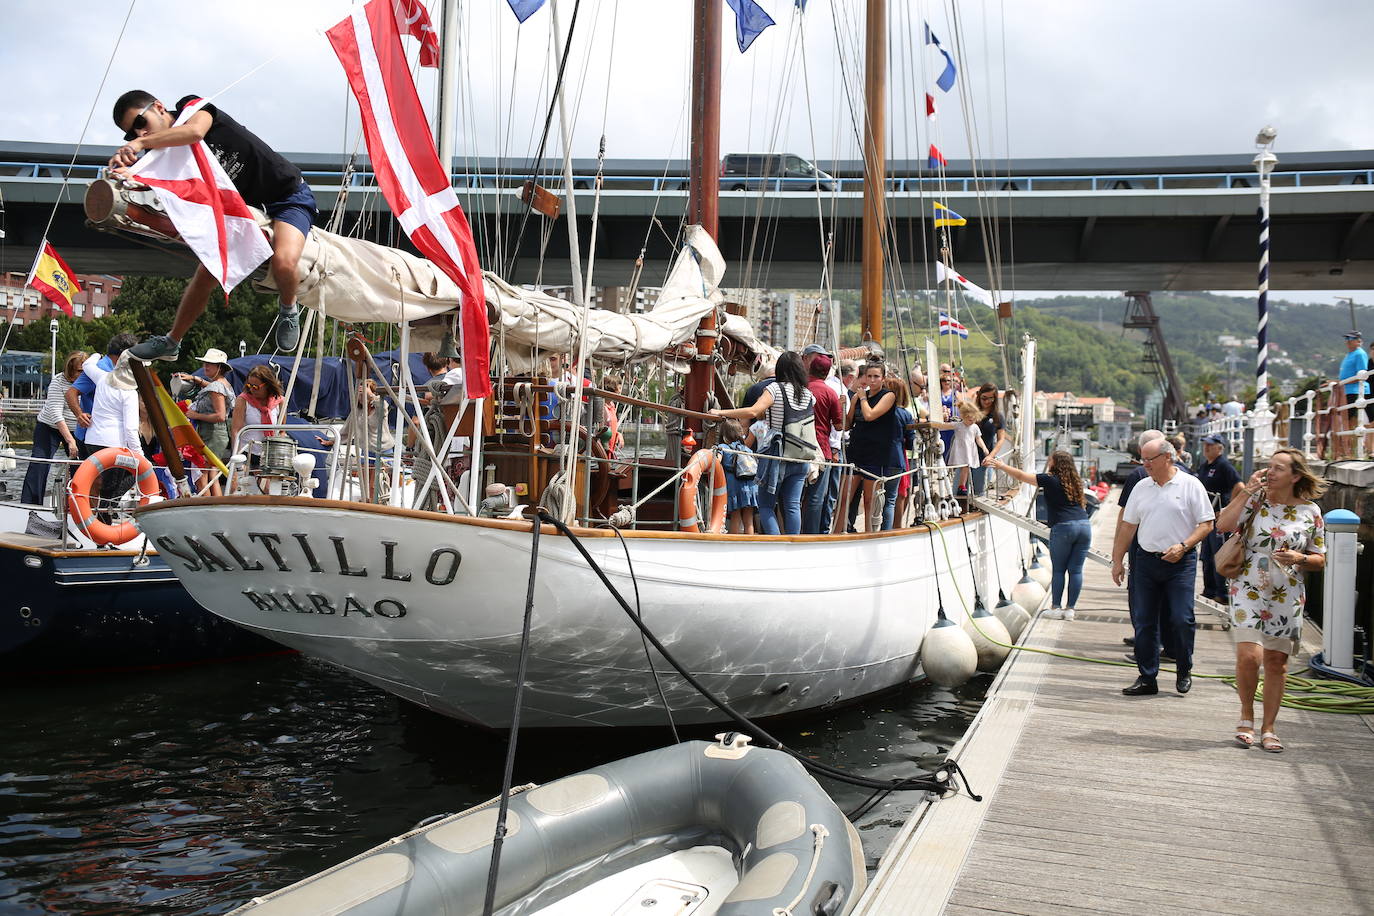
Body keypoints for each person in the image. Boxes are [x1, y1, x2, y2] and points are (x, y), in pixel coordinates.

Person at [109, 91, 318, 359]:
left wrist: (138, 145)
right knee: (205, 273)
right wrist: (128, 172)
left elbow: (195, 132)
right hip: (246, 211)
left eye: (141, 122)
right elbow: (158, 184)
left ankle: (288, 310)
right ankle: (173, 341)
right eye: (132, 133)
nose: (140, 133)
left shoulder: (192, 107)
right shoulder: (165, 156)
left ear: (159, 107)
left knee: (284, 262)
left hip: (287, 196)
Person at [1215, 448, 1327, 752]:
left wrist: (1299, 557)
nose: (1270, 472)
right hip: (1248, 585)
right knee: (1250, 656)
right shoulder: (1255, 499)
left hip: (1287, 592)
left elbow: (1320, 559)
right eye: (1268, 466)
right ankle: (1246, 717)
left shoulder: (1311, 512)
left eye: (1278, 468)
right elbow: (1222, 525)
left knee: (1277, 663)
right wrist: (1246, 492)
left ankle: (1269, 727)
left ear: (1295, 476)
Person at [1110, 438, 1215, 697]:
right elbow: (1127, 526)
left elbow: (1207, 524)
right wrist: (1117, 560)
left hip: (1181, 562)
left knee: (1181, 618)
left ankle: (1183, 669)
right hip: (1145, 561)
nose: (1144, 464)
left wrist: (1183, 545)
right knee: (1144, 622)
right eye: (1142, 459)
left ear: (1167, 457)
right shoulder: (1141, 487)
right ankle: (1147, 677)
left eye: (1149, 459)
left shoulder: (1191, 485)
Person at [710, 351, 814, 536]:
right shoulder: (808, 394)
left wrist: (720, 412)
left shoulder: (775, 389)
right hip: (801, 455)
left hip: (776, 455)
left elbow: (753, 412)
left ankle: (775, 545)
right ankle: (794, 545)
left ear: (781, 369)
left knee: (766, 504)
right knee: (792, 505)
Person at [987, 450, 1091, 620]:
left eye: (1050, 459)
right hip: (1084, 527)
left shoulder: (1049, 479)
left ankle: (1056, 608)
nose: (1049, 461)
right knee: (1076, 570)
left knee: (1059, 570)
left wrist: (1001, 465)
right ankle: (1070, 609)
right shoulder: (1075, 481)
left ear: (1055, 463)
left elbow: (1021, 476)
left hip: (1063, 527)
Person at [837, 362, 901, 532]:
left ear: (883, 379)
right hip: (856, 450)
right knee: (844, 497)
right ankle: (836, 531)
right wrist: (844, 406)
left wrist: (862, 398)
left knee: (869, 500)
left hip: (876, 453)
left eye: (876, 377)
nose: (872, 380)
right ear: (864, 377)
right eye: (869, 376)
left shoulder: (888, 396)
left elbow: (870, 415)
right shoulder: (857, 397)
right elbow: (847, 425)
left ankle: (869, 533)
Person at [21, 351, 86, 506]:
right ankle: (30, 505)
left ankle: (79, 506)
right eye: (76, 371)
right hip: (49, 426)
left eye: (81, 371)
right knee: (39, 462)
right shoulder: (57, 382)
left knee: (81, 468)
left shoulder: (91, 382)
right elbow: (56, 414)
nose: (78, 375)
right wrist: (70, 442)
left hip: (76, 429)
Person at [67, 333, 139, 458]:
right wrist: (79, 414)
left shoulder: (110, 370)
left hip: (98, 437)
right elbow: (71, 393)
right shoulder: (102, 368)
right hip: (90, 434)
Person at [1196, 434, 1244, 604]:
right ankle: (1209, 591)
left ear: (1220, 448)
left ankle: (1222, 593)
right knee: (1207, 555)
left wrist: (1228, 508)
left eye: (1210, 445)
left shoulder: (1224, 465)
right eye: (1205, 445)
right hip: (1206, 519)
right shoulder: (1204, 466)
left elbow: (1239, 486)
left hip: (1219, 520)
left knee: (1219, 555)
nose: (1206, 448)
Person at [801, 354, 843, 534]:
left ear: (809, 368)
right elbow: (840, 425)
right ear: (826, 373)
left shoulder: (800, 388)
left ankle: (791, 533)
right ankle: (811, 535)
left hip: (796, 447)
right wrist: (842, 406)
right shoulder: (830, 393)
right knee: (816, 498)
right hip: (822, 450)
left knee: (793, 497)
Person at [176, 348, 235, 465]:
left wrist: (195, 415)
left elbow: (220, 416)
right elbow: (215, 389)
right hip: (217, 434)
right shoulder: (224, 384)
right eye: (205, 363)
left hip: (211, 434)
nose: (205, 366)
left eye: (210, 364)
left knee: (203, 473)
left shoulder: (217, 386)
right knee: (211, 472)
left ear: (219, 367)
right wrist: (195, 379)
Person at [231, 365, 286, 463]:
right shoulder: (243, 400)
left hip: (270, 455)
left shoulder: (280, 401)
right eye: (249, 386)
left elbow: (282, 431)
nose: (252, 389)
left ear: (268, 385)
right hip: (247, 454)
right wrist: (237, 460)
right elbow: (236, 431)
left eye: (256, 387)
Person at [718, 418, 758, 534]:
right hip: (751, 486)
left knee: (735, 516)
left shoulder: (723, 447)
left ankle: (733, 545)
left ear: (724, 434)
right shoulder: (747, 449)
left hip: (734, 486)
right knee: (748, 519)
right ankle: (749, 545)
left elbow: (716, 461)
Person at [1336, 331, 1370, 458]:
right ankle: (1349, 449)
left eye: (1351, 338)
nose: (1348, 341)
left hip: (1356, 391)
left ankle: (1354, 450)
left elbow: (1362, 373)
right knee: (1347, 420)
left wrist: (1345, 382)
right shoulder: (1350, 354)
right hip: (1347, 390)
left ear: (1358, 341)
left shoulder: (1359, 354)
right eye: (1346, 338)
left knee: (1354, 420)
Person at [970, 383, 1006, 496]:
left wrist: (990, 456)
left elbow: (1001, 439)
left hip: (983, 459)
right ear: (979, 397)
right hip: (967, 458)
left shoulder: (998, 417)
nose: (987, 401)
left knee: (979, 493)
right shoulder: (972, 413)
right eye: (984, 398)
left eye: (991, 398)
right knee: (960, 492)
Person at [947, 394, 985, 497]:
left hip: (969, 449)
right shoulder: (959, 425)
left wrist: (984, 447)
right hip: (960, 449)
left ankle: (962, 486)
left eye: (973, 419)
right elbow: (945, 426)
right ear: (963, 417)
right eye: (969, 419)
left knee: (966, 466)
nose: (971, 421)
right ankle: (960, 485)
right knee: (962, 466)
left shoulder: (975, 427)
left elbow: (978, 438)